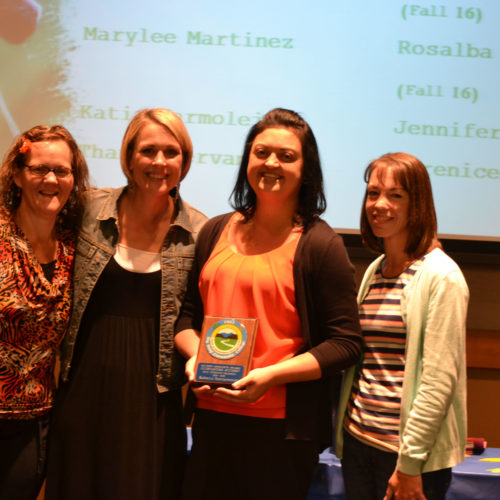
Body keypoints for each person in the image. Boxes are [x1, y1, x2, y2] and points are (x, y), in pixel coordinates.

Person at [175, 108, 363, 500]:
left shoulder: (319, 245)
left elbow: (345, 343)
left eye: (286, 156)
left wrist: (271, 377)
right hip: (210, 419)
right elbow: (186, 320)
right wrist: (196, 358)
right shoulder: (214, 231)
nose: (271, 163)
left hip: (281, 431)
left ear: (306, 169)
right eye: (261, 152)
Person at [45, 108, 207, 500]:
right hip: (84, 384)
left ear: (184, 160)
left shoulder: (200, 232)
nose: (159, 163)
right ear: (129, 156)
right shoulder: (87, 210)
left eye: (171, 152)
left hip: (153, 396)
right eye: (148, 150)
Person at [336, 152, 469, 500]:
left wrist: (409, 464)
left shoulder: (443, 276)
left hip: (405, 460)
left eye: (396, 195)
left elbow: (438, 381)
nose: (379, 204)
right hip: (358, 445)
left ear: (418, 204)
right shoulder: (375, 270)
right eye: (373, 193)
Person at [0, 125, 89, 500]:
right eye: (39, 169)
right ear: (18, 175)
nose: (51, 179)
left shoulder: (74, 247)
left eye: (62, 171)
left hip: (35, 425)